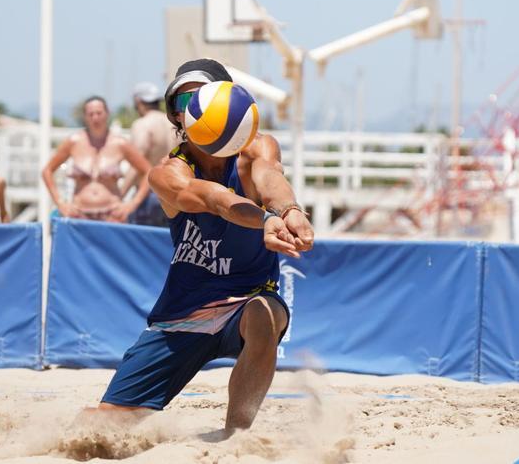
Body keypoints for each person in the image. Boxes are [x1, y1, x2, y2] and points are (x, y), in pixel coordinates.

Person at [93, 59, 315, 435]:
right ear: (175, 118)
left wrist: (289, 210)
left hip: (247, 298)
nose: (192, 110)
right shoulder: (168, 172)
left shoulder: (256, 150)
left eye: (199, 98)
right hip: (184, 311)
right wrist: (264, 220)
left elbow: (270, 178)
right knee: (103, 428)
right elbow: (216, 200)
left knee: (263, 315)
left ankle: (235, 438)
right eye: (182, 104)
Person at [42, 96, 151, 222]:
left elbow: (148, 171)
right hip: (79, 214)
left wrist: (132, 205)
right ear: (85, 116)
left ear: (107, 113)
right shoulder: (74, 142)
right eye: (91, 114)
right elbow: (47, 171)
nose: (95, 118)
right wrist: (61, 204)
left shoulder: (120, 144)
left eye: (99, 113)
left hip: (112, 215)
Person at [121, 82, 179, 227]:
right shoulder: (174, 124)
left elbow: (137, 164)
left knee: (141, 246)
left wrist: (119, 195)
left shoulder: (142, 125)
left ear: (138, 102)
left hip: (149, 195)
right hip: (174, 195)